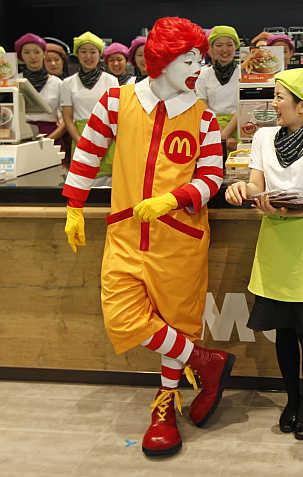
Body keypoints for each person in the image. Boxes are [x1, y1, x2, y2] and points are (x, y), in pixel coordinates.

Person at [62, 16, 235, 457]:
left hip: (180, 239)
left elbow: (212, 177)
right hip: (125, 232)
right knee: (121, 316)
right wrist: (74, 205)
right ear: (164, 58)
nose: (197, 67)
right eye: (189, 59)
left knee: (175, 322)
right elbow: (88, 151)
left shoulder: (204, 117)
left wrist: (173, 199)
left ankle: (163, 407)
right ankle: (205, 362)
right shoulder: (116, 101)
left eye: (199, 59)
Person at [225, 68, 303, 441]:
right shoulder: (262, 138)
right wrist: (241, 189)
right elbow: (256, 184)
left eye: (279, 97)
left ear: (302, 107)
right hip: (273, 243)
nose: (273, 104)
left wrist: (276, 209)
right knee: (283, 333)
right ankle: (291, 399)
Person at [61, 31, 118, 177]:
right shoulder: (67, 83)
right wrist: (81, 142)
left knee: (108, 180)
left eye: (93, 52)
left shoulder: (111, 80)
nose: (88, 56)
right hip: (80, 136)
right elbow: (67, 118)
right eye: (83, 52)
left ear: (99, 55)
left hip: (107, 136)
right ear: (77, 55)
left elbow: (115, 114)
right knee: (83, 180)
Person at [14, 33, 65, 147]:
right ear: (20, 56)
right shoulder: (14, 82)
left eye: (37, 52)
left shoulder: (57, 83)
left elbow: (66, 120)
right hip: (20, 136)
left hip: (51, 136)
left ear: (44, 54)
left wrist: (49, 140)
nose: (32, 57)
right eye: (26, 52)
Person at [195, 25, 240, 155]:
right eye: (219, 45)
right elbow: (202, 105)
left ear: (236, 47)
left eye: (229, 45)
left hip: (239, 127)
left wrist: (225, 134)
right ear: (211, 49)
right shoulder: (203, 74)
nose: (224, 50)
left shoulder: (244, 73)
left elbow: (245, 104)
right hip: (211, 128)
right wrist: (217, 133)